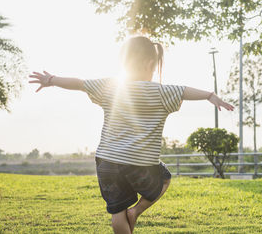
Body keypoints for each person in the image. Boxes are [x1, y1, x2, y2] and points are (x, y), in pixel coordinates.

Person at [28, 36, 234, 234]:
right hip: (140, 164)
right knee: (164, 178)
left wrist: (52, 80)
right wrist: (209, 95)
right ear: (149, 64)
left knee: (117, 210)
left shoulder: (111, 86)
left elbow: (79, 83)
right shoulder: (162, 92)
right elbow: (185, 92)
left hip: (107, 161)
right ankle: (136, 211)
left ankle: (129, 213)